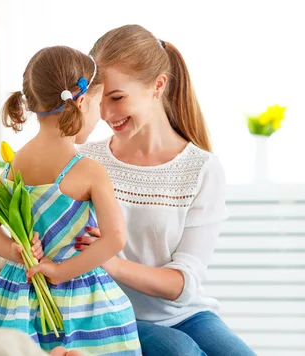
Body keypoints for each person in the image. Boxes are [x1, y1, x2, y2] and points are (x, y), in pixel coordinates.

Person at [72, 24, 256, 356]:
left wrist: (110, 261)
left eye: (117, 98)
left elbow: (182, 285)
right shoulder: (85, 161)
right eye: (99, 100)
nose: (106, 115)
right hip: (108, 311)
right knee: (180, 352)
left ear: (158, 85)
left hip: (185, 315)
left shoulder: (201, 169)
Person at [0, 45, 142, 355]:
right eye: (97, 105)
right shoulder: (90, 171)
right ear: (79, 102)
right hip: (80, 300)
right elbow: (116, 238)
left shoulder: (14, 165)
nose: (100, 117)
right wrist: (62, 272)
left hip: (19, 295)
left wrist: (17, 251)